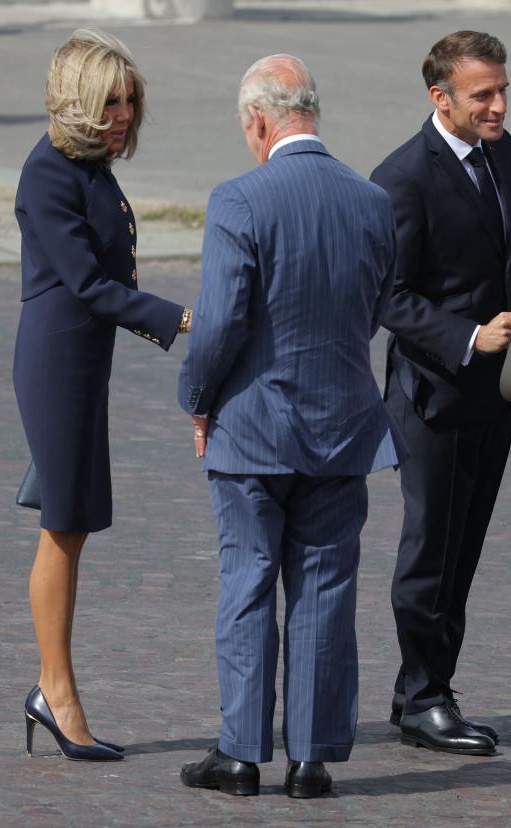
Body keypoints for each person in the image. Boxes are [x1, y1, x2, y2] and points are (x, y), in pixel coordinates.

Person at [176, 54, 405, 799]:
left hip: (253, 425)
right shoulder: (372, 201)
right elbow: (373, 308)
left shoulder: (240, 200)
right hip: (342, 426)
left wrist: (197, 397)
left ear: (258, 120)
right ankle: (311, 758)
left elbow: (217, 325)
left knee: (247, 582)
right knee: (324, 588)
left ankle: (241, 751)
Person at [14, 28, 190, 762]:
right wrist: (179, 320)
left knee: (75, 522)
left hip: (85, 358)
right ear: (78, 104)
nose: (123, 115)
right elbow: (88, 283)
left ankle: (52, 689)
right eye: (109, 102)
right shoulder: (50, 173)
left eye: (129, 100)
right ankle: (56, 692)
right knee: (64, 522)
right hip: (58, 358)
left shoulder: (88, 167)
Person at [370, 30, 511, 757]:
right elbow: (388, 296)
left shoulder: (502, 151)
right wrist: (471, 340)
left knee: (464, 550)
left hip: (493, 393)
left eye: (502, 90)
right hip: (430, 396)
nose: (499, 106)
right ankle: (421, 697)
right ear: (440, 98)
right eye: (483, 96)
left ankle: (435, 687)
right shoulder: (400, 178)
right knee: (429, 550)